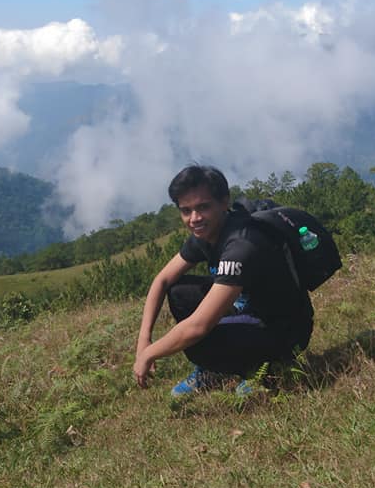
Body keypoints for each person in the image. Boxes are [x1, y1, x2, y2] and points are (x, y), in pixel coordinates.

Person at [133, 165, 314, 396]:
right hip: (251, 312)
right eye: (186, 210)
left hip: (285, 329)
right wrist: (143, 339)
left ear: (224, 202)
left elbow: (198, 327)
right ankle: (217, 368)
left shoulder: (242, 244)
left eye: (203, 207)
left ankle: (268, 367)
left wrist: (149, 354)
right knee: (179, 291)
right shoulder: (207, 233)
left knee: (195, 341)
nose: (194, 218)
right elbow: (162, 280)